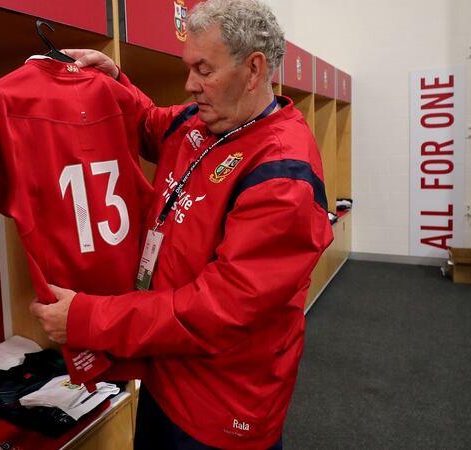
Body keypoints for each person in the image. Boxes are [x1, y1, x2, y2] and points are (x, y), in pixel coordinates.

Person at [29, 0, 333, 448]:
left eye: (204, 70)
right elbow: (150, 126)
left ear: (253, 70)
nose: (190, 85)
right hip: (164, 369)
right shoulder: (205, 119)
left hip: (221, 408)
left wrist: (88, 318)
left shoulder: (283, 176)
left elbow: (217, 309)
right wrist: (116, 82)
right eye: (188, 67)